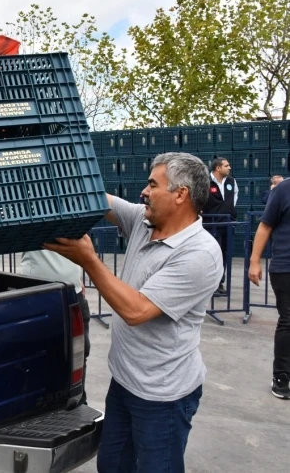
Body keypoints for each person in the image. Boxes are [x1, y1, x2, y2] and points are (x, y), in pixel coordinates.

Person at [45, 152, 222, 473]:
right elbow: (101, 200)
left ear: (180, 194)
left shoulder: (200, 254)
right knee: (112, 465)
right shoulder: (144, 220)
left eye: (153, 185)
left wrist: (89, 261)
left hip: (163, 397)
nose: (144, 191)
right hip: (125, 382)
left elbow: (136, 310)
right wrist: (51, 167)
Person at [20, 250, 91, 403]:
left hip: (73, 289)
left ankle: (77, 402)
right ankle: (42, 406)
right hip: (38, 292)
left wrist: (76, 277)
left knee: (79, 355)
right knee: (41, 358)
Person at [248, 178, 290, 400]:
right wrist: (254, 261)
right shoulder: (283, 189)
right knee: (288, 321)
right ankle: (282, 376)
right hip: (286, 268)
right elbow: (265, 225)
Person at [202, 157, 237, 295]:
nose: (229, 168)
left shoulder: (231, 181)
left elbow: (234, 197)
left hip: (228, 223)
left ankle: (219, 283)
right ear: (218, 168)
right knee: (212, 255)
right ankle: (209, 285)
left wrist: (228, 211)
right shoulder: (206, 182)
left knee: (225, 254)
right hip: (211, 224)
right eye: (226, 165)